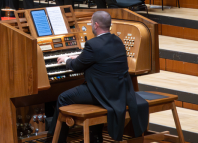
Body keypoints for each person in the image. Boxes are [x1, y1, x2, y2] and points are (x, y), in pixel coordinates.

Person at [48, 11, 147, 143]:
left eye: (90, 23)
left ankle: (55, 140)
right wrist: (79, 57)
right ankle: (95, 137)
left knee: (63, 98)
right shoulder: (117, 40)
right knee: (88, 87)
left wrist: (66, 60)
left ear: (96, 25)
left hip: (103, 93)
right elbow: (100, 56)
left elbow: (76, 66)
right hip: (120, 91)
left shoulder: (93, 44)